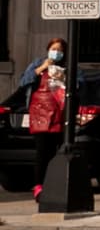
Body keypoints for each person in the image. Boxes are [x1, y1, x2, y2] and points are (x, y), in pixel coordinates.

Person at [18, 37, 69, 199]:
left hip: (60, 114)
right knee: (42, 152)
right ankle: (39, 186)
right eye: (54, 49)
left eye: (60, 50)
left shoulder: (68, 67)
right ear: (48, 50)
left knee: (58, 152)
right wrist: (42, 68)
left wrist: (64, 79)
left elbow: (79, 85)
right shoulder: (38, 63)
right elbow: (24, 82)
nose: (57, 52)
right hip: (40, 113)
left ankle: (55, 184)